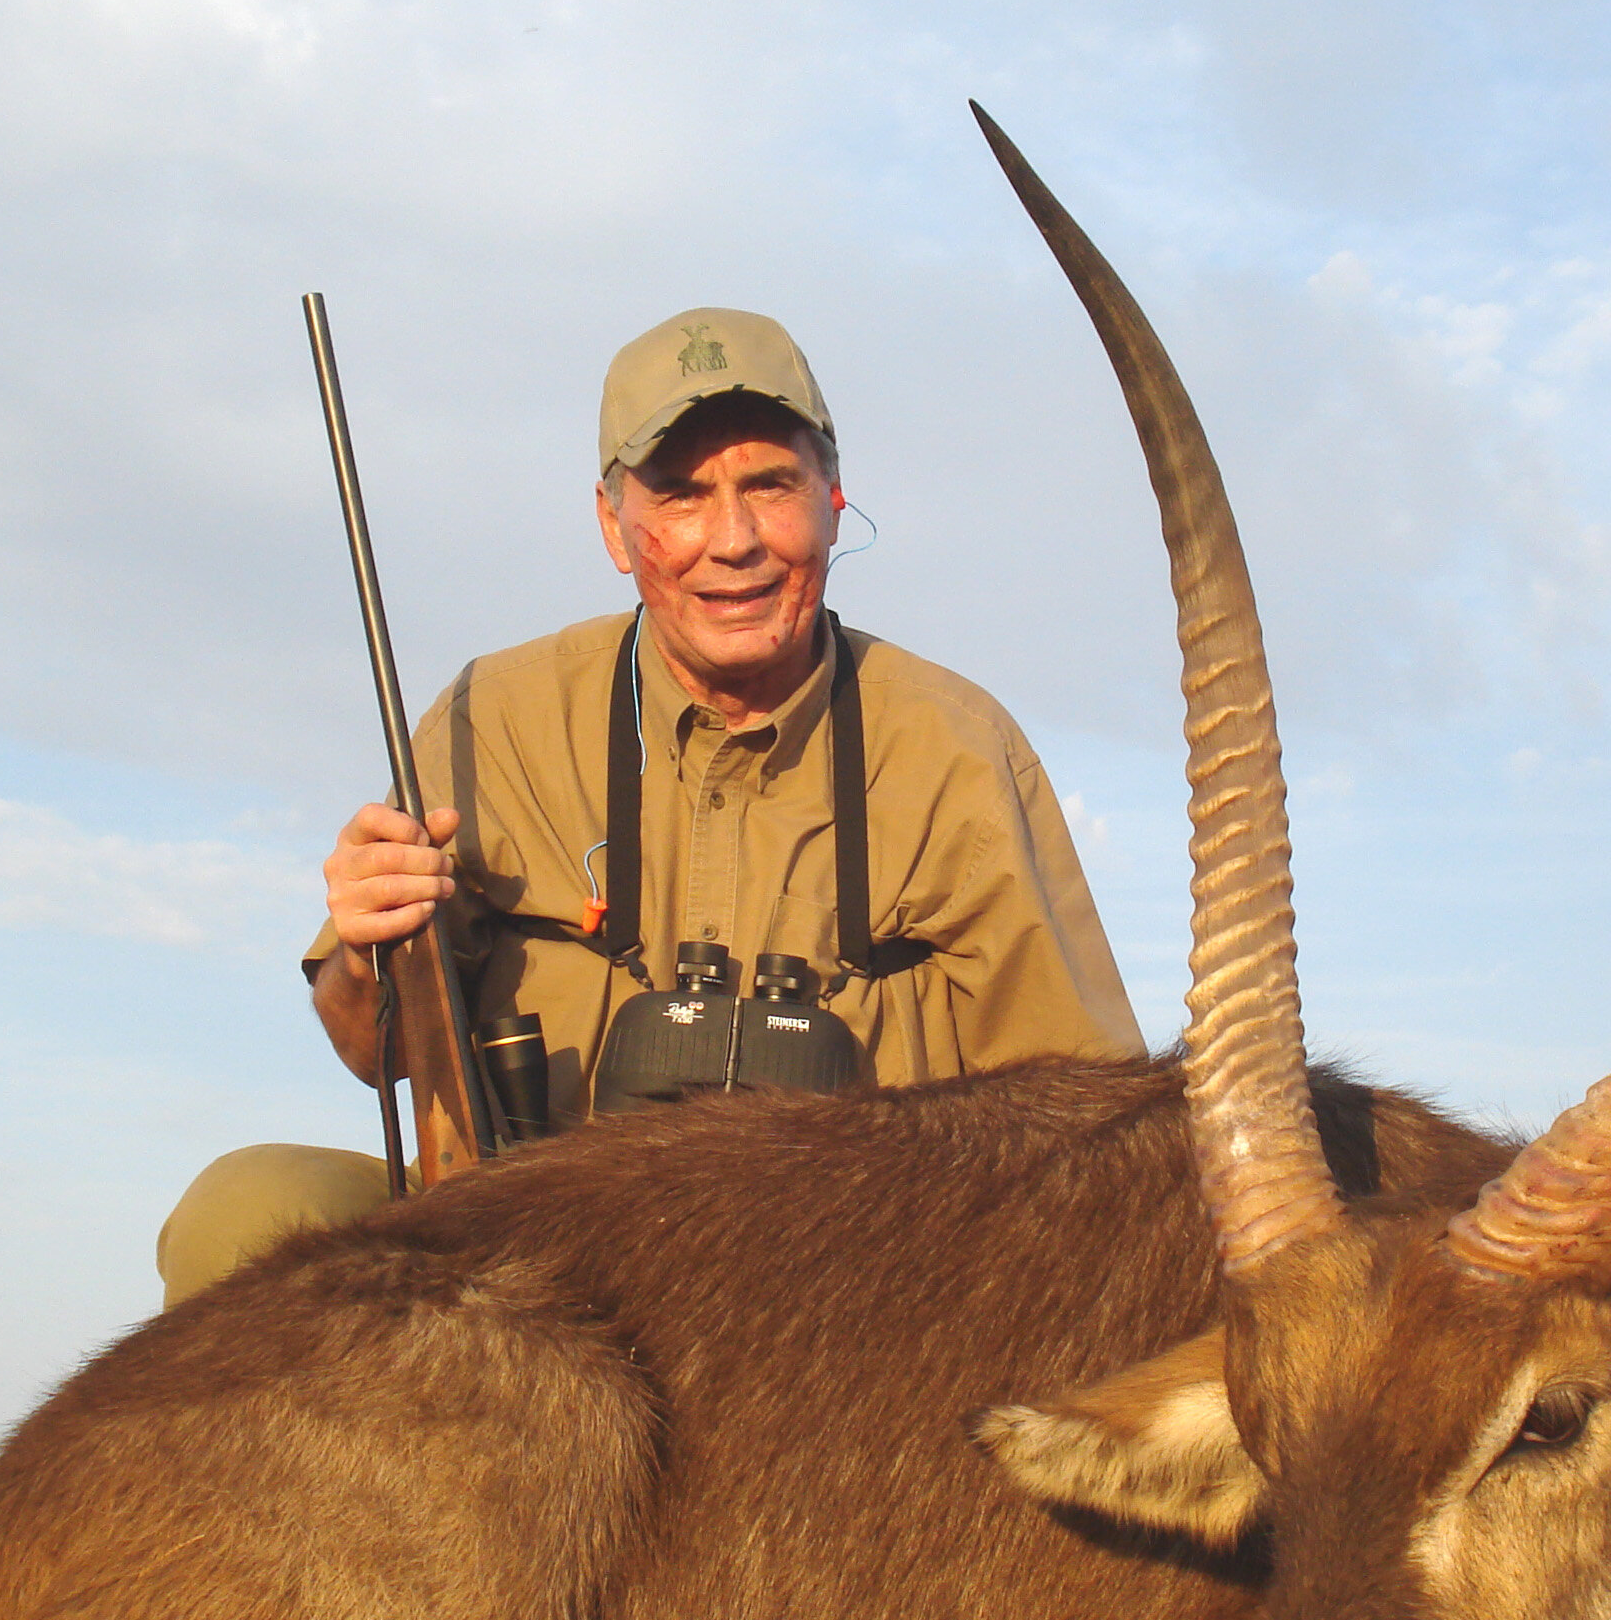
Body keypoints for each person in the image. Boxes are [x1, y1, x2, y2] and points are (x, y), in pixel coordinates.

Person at [156, 308, 1144, 1305]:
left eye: (771, 485)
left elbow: (1095, 1133)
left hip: (855, 1300)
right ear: (614, 527)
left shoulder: (960, 748)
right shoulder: (492, 719)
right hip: (533, 1275)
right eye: (680, 494)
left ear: (834, 501)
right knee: (243, 1213)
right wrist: (368, 953)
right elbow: (377, 1052)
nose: (735, 542)